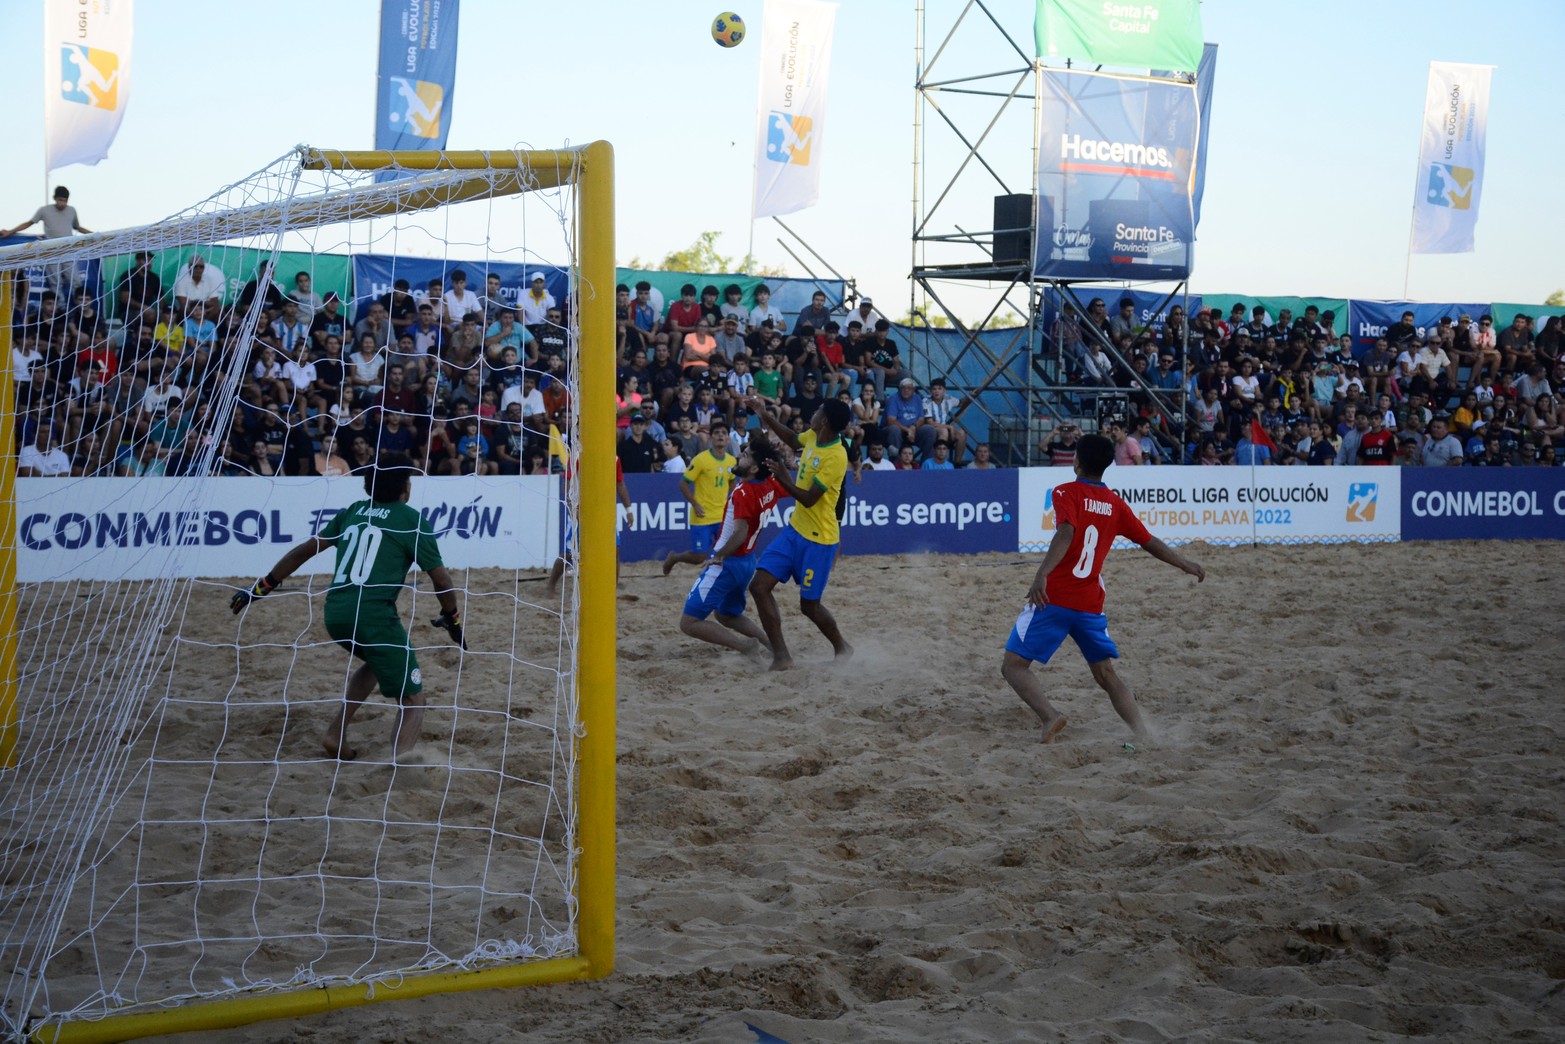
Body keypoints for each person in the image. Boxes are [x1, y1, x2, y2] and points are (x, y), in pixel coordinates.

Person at [229, 454, 465, 761]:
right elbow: (441, 579)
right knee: (413, 699)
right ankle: (402, 766)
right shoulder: (411, 521)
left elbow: (304, 552)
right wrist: (452, 618)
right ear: (404, 487)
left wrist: (261, 588)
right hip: (373, 617)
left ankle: (335, 734)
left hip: (336, 613)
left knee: (376, 663)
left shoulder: (353, 511)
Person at [1002, 433, 1204, 744]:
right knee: (1106, 675)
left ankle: (1050, 716)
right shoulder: (1115, 503)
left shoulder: (1065, 492)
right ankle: (1144, 734)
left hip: (1054, 598)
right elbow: (1149, 541)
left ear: (1077, 462)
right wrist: (1184, 563)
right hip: (1090, 604)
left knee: (1013, 667)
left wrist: (1041, 573)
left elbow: (1066, 532)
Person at [745, 395, 853, 670]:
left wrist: (783, 477)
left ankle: (842, 648)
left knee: (809, 607)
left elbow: (809, 499)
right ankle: (782, 657)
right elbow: (793, 440)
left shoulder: (836, 455)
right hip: (795, 530)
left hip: (820, 541)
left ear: (824, 420)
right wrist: (764, 415)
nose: (813, 413)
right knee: (758, 587)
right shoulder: (814, 436)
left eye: (818, 411)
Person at [665, 438, 790, 654]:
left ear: (753, 468)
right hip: (747, 562)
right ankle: (771, 644)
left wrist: (719, 556)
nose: (739, 455)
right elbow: (786, 482)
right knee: (726, 614)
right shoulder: (770, 483)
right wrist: (776, 458)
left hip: (729, 561)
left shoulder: (743, 492)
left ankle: (746, 647)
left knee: (689, 622)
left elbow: (740, 532)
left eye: (746, 455)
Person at [4, 186, 91, 295]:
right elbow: (29, 223)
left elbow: (77, 227)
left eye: (65, 201)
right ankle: (59, 305)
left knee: (75, 281)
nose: (62, 203)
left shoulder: (72, 210)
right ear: (55, 198)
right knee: (55, 283)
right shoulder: (44, 210)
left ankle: (80, 305)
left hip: (68, 251)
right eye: (60, 200)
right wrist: (10, 231)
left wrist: (96, 235)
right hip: (51, 251)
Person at [673, 423, 735, 558]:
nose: (720, 435)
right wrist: (695, 504)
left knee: (726, 553)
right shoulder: (701, 459)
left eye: (724, 433)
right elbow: (683, 483)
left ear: (728, 439)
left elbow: (732, 480)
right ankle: (674, 558)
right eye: (716, 433)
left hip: (722, 516)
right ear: (710, 438)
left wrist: (729, 498)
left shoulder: (731, 461)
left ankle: (713, 571)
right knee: (699, 557)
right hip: (702, 516)